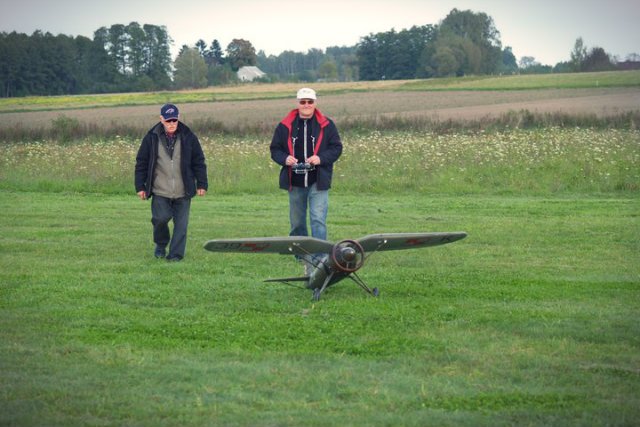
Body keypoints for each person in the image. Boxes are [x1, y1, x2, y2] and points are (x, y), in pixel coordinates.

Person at [270, 88, 343, 270]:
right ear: (297, 104)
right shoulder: (285, 125)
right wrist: (284, 159)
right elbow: (275, 149)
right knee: (297, 223)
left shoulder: (327, 125)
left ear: (315, 103)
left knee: (318, 219)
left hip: (318, 180)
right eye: (303, 102)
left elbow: (336, 148)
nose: (306, 105)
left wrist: (321, 158)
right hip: (294, 181)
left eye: (310, 102)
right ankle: (302, 256)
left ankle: (320, 259)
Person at [135, 103, 208, 262]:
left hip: (184, 190)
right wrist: (140, 186)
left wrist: (202, 184)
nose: (172, 124)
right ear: (161, 119)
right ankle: (161, 245)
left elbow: (199, 161)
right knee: (160, 219)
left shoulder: (189, 137)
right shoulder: (151, 137)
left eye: (174, 120)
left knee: (181, 227)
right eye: (168, 121)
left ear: (178, 118)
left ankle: (175, 256)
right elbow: (141, 162)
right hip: (160, 190)